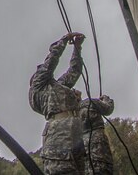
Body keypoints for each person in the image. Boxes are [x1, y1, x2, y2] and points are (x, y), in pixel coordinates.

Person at [30, 32, 87, 175]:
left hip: (74, 126)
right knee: (62, 169)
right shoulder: (38, 87)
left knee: (81, 169)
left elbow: (74, 71)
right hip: (59, 130)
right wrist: (64, 40)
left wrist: (77, 48)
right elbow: (50, 63)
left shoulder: (57, 86)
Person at [80, 94, 115, 175]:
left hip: (83, 145)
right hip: (98, 141)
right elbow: (108, 109)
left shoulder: (71, 112)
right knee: (104, 168)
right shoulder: (90, 102)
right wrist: (106, 99)